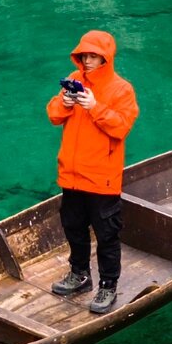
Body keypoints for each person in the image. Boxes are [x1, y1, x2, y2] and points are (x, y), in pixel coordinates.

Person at [45, 29, 139, 316]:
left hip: (101, 177)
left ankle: (108, 285)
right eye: (84, 55)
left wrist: (95, 107)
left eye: (93, 56)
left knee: (107, 234)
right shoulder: (73, 81)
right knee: (73, 227)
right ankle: (80, 274)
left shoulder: (121, 89)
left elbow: (121, 126)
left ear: (105, 59)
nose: (87, 60)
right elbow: (53, 115)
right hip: (72, 174)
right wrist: (66, 102)